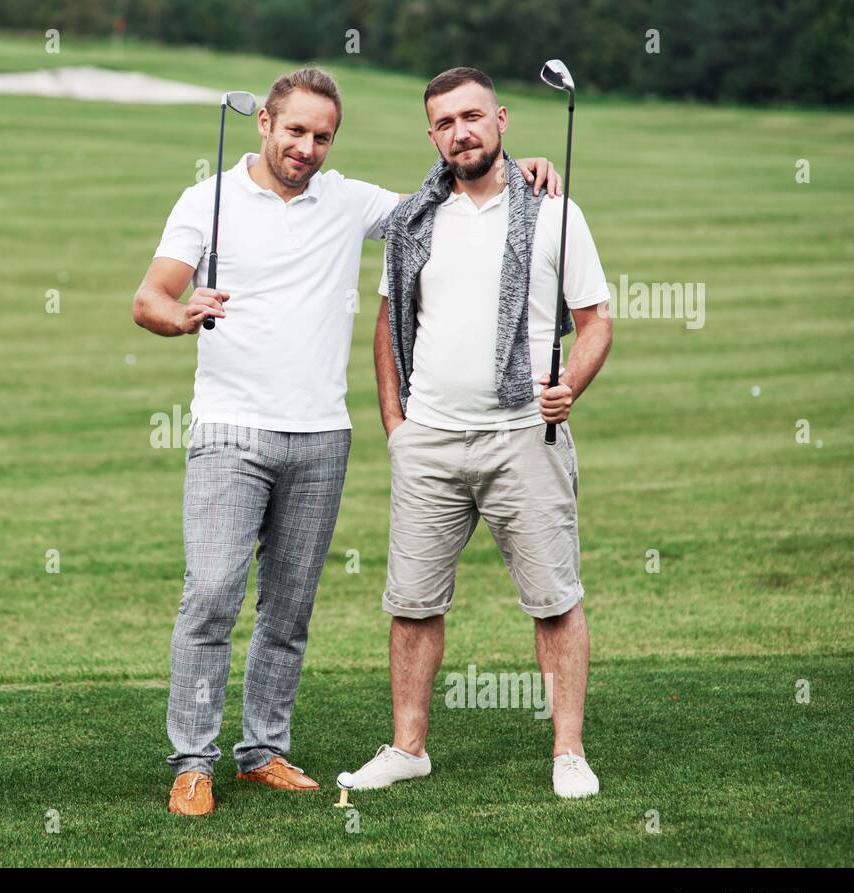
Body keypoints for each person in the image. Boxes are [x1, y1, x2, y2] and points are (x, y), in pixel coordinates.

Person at [132, 66, 560, 816]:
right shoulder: (209, 200)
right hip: (230, 430)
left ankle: (262, 750)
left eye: (322, 136)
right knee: (210, 597)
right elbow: (149, 298)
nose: (306, 148)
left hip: (323, 434)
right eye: (295, 130)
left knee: (289, 609)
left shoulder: (350, 199)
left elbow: (448, 199)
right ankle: (192, 761)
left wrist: (518, 170)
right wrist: (184, 312)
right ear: (264, 123)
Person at [348, 67, 612, 799]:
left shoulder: (557, 212)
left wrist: (570, 386)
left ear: (500, 118)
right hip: (429, 439)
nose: (460, 131)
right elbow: (388, 324)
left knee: (554, 598)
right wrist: (396, 426)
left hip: (525, 437)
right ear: (431, 135)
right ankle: (407, 747)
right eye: (444, 122)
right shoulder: (413, 219)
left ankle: (568, 751)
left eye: (472, 116)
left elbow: (594, 322)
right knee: (411, 601)